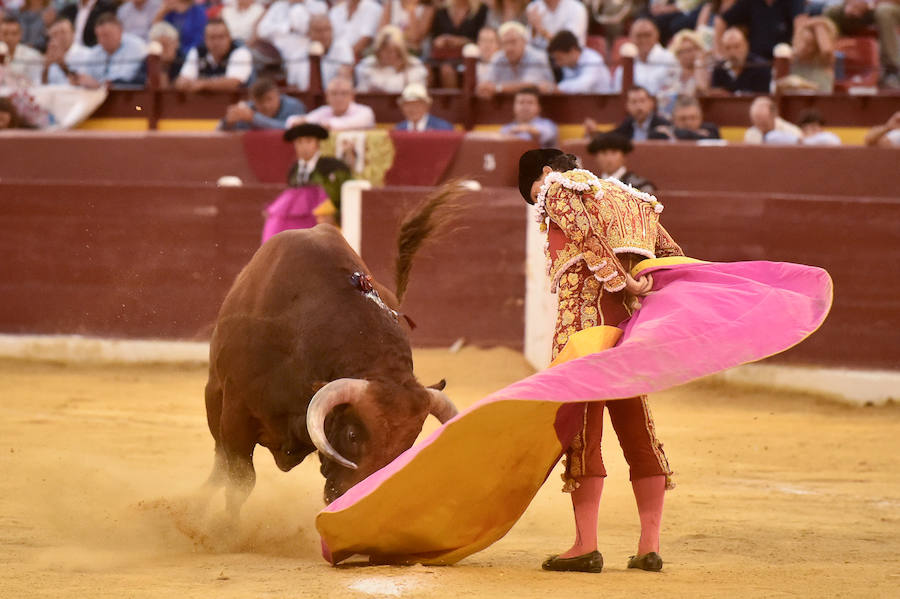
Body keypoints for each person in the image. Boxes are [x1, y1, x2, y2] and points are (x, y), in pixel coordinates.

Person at [518, 148, 681, 573]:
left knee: (583, 429)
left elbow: (588, 237)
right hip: (625, 329)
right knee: (637, 427)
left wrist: (622, 278)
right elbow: (672, 255)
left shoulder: (558, 188)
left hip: (583, 329)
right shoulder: (632, 199)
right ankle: (650, 546)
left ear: (548, 173)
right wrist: (642, 283)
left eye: (534, 191)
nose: (540, 202)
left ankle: (585, 545)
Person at [283, 121, 351, 225]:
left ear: (317, 144)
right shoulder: (294, 170)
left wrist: (336, 217)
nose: (303, 146)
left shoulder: (335, 167)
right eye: (299, 142)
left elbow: (350, 199)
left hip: (330, 226)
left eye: (309, 141)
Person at [825, 0, 900, 89]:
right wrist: (852, 3)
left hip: (889, 6)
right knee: (831, 12)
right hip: (863, 7)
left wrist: (870, 4)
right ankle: (832, 65)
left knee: (884, 11)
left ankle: (892, 70)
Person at [476, 20, 554, 97]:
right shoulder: (498, 58)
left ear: (524, 41)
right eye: (505, 43)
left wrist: (497, 88)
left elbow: (530, 86)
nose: (509, 48)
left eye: (513, 42)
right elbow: (486, 85)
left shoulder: (538, 57)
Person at [174, 18, 253, 92]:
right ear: (205, 39)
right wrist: (182, 83)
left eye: (221, 37)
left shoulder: (240, 52)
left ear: (229, 38)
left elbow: (233, 83)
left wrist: (204, 84)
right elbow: (183, 79)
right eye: (212, 37)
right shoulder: (197, 52)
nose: (216, 42)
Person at [285, 14, 354, 91]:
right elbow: (292, 87)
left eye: (327, 30)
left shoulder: (342, 49)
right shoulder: (297, 56)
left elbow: (344, 80)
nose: (324, 35)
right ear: (309, 33)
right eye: (318, 31)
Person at [714, 0, 803, 60]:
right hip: (755, 61)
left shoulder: (792, 2)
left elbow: (800, 22)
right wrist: (719, 52)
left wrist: (795, 49)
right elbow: (721, 21)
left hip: (782, 60)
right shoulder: (750, 2)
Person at [76, 13, 147, 88]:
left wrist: (99, 85)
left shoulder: (136, 47)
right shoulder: (95, 52)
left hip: (126, 96)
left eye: (106, 35)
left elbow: (126, 79)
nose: (102, 40)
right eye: (99, 36)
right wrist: (80, 80)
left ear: (120, 32)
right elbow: (86, 77)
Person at [430, 0, 489, 87]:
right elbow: (434, 37)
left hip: (471, 57)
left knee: (452, 69)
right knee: (442, 69)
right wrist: (440, 40)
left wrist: (462, 41)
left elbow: (482, 37)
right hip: (444, 56)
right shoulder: (442, 10)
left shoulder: (481, 9)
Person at [612, 18, 678, 95]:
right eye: (639, 36)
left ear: (657, 35)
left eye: (647, 35)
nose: (643, 40)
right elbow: (617, 92)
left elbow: (673, 91)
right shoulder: (625, 64)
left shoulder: (670, 59)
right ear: (631, 38)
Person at [354, 25, 428, 93]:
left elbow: (418, 95)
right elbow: (362, 94)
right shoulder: (366, 66)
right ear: (378, 51)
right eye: (386, 50)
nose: (391, 55)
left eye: (395, 51)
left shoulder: (415, 67)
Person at [286, 75, 376, 131]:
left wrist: (319, 125)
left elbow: (345, 124)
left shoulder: (365, 112)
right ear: (327, 97)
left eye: (344, 93)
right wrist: (299, 122)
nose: (339, 98)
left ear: (352, 96)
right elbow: (292, 121)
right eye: (334, 93)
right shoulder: (324, 111)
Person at [777, 13, 836, 93]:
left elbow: (827, 51)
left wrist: (818, 25)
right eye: (803, 42)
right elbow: (777, 86)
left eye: (810, 45)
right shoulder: (788, 57)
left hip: (819, 102)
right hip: (795, 103)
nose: (805, 47)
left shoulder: (822, 61)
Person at [657, 28, 709, 117]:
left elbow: (703, 88)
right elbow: (663, 99)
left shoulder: (705, 70)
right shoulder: (671, 73)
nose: (688, 54)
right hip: (673, 115)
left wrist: (698, 62)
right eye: (683, 51)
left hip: (696, 116)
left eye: (692, 50)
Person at [589, 85, 671, 142]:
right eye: (634, 102)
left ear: (651, 103)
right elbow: (612, 137)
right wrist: (595, 133)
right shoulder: (628, 124)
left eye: (642, 101)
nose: (639, 106)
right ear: (627, 106)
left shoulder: (662, 124)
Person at [220, 77, 305, 130]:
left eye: (269, 99)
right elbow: (220, 130)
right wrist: (228, 123)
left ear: (278, 95)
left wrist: (254, 118)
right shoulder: (248, 109)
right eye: (260, 101)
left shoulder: (294, 106)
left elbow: (291, 129)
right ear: (253, 101)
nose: (266, 106)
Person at [587, 132, 657, 192]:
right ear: (596, 158)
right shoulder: (591, 186)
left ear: (624, 156)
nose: (608, 159)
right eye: (604, 153)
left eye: (614, 153)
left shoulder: (639, 186)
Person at [547, 29, 612, 93]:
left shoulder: (593, 59)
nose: (558, 63)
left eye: (560, 58)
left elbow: (582, 86)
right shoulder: (567, 65)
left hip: (602, 102)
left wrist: (554, 88)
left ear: (572, 51)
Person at [710, 27, 771, 94]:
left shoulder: (760, 67)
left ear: (746, 46)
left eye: (737, 46)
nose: (732, 52)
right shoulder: (719, 69)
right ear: (722, 50)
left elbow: (764, 98)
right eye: (727, 48)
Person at [42, 17, 92, 84]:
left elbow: (80, 83)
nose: (59, 36)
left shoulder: (86, 54)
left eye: (63, 32)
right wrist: (46, 68)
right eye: (55, 33)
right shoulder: (51, 55)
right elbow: (43, 85)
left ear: (73, 34)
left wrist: (62, 64)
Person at [651, 94, 720, 140]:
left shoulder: (711, 129)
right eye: (683, 119)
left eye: (693, 118)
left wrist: (673, 133)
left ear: (701, 117)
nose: (688, 122)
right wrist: (697, 135)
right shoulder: (663, 131)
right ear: (673, 119)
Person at [1, 14, 43, 84]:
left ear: (20, 34)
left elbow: (37, 82)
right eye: (5, 33)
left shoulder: (32, 55)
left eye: (14, 33)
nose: (9, 38)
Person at [147, 20, 183, 87]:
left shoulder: (184, 61)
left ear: (176, 43)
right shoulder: (149, 59)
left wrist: (164, 67)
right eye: (160, 46)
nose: (163, 51)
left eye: (166, 45)